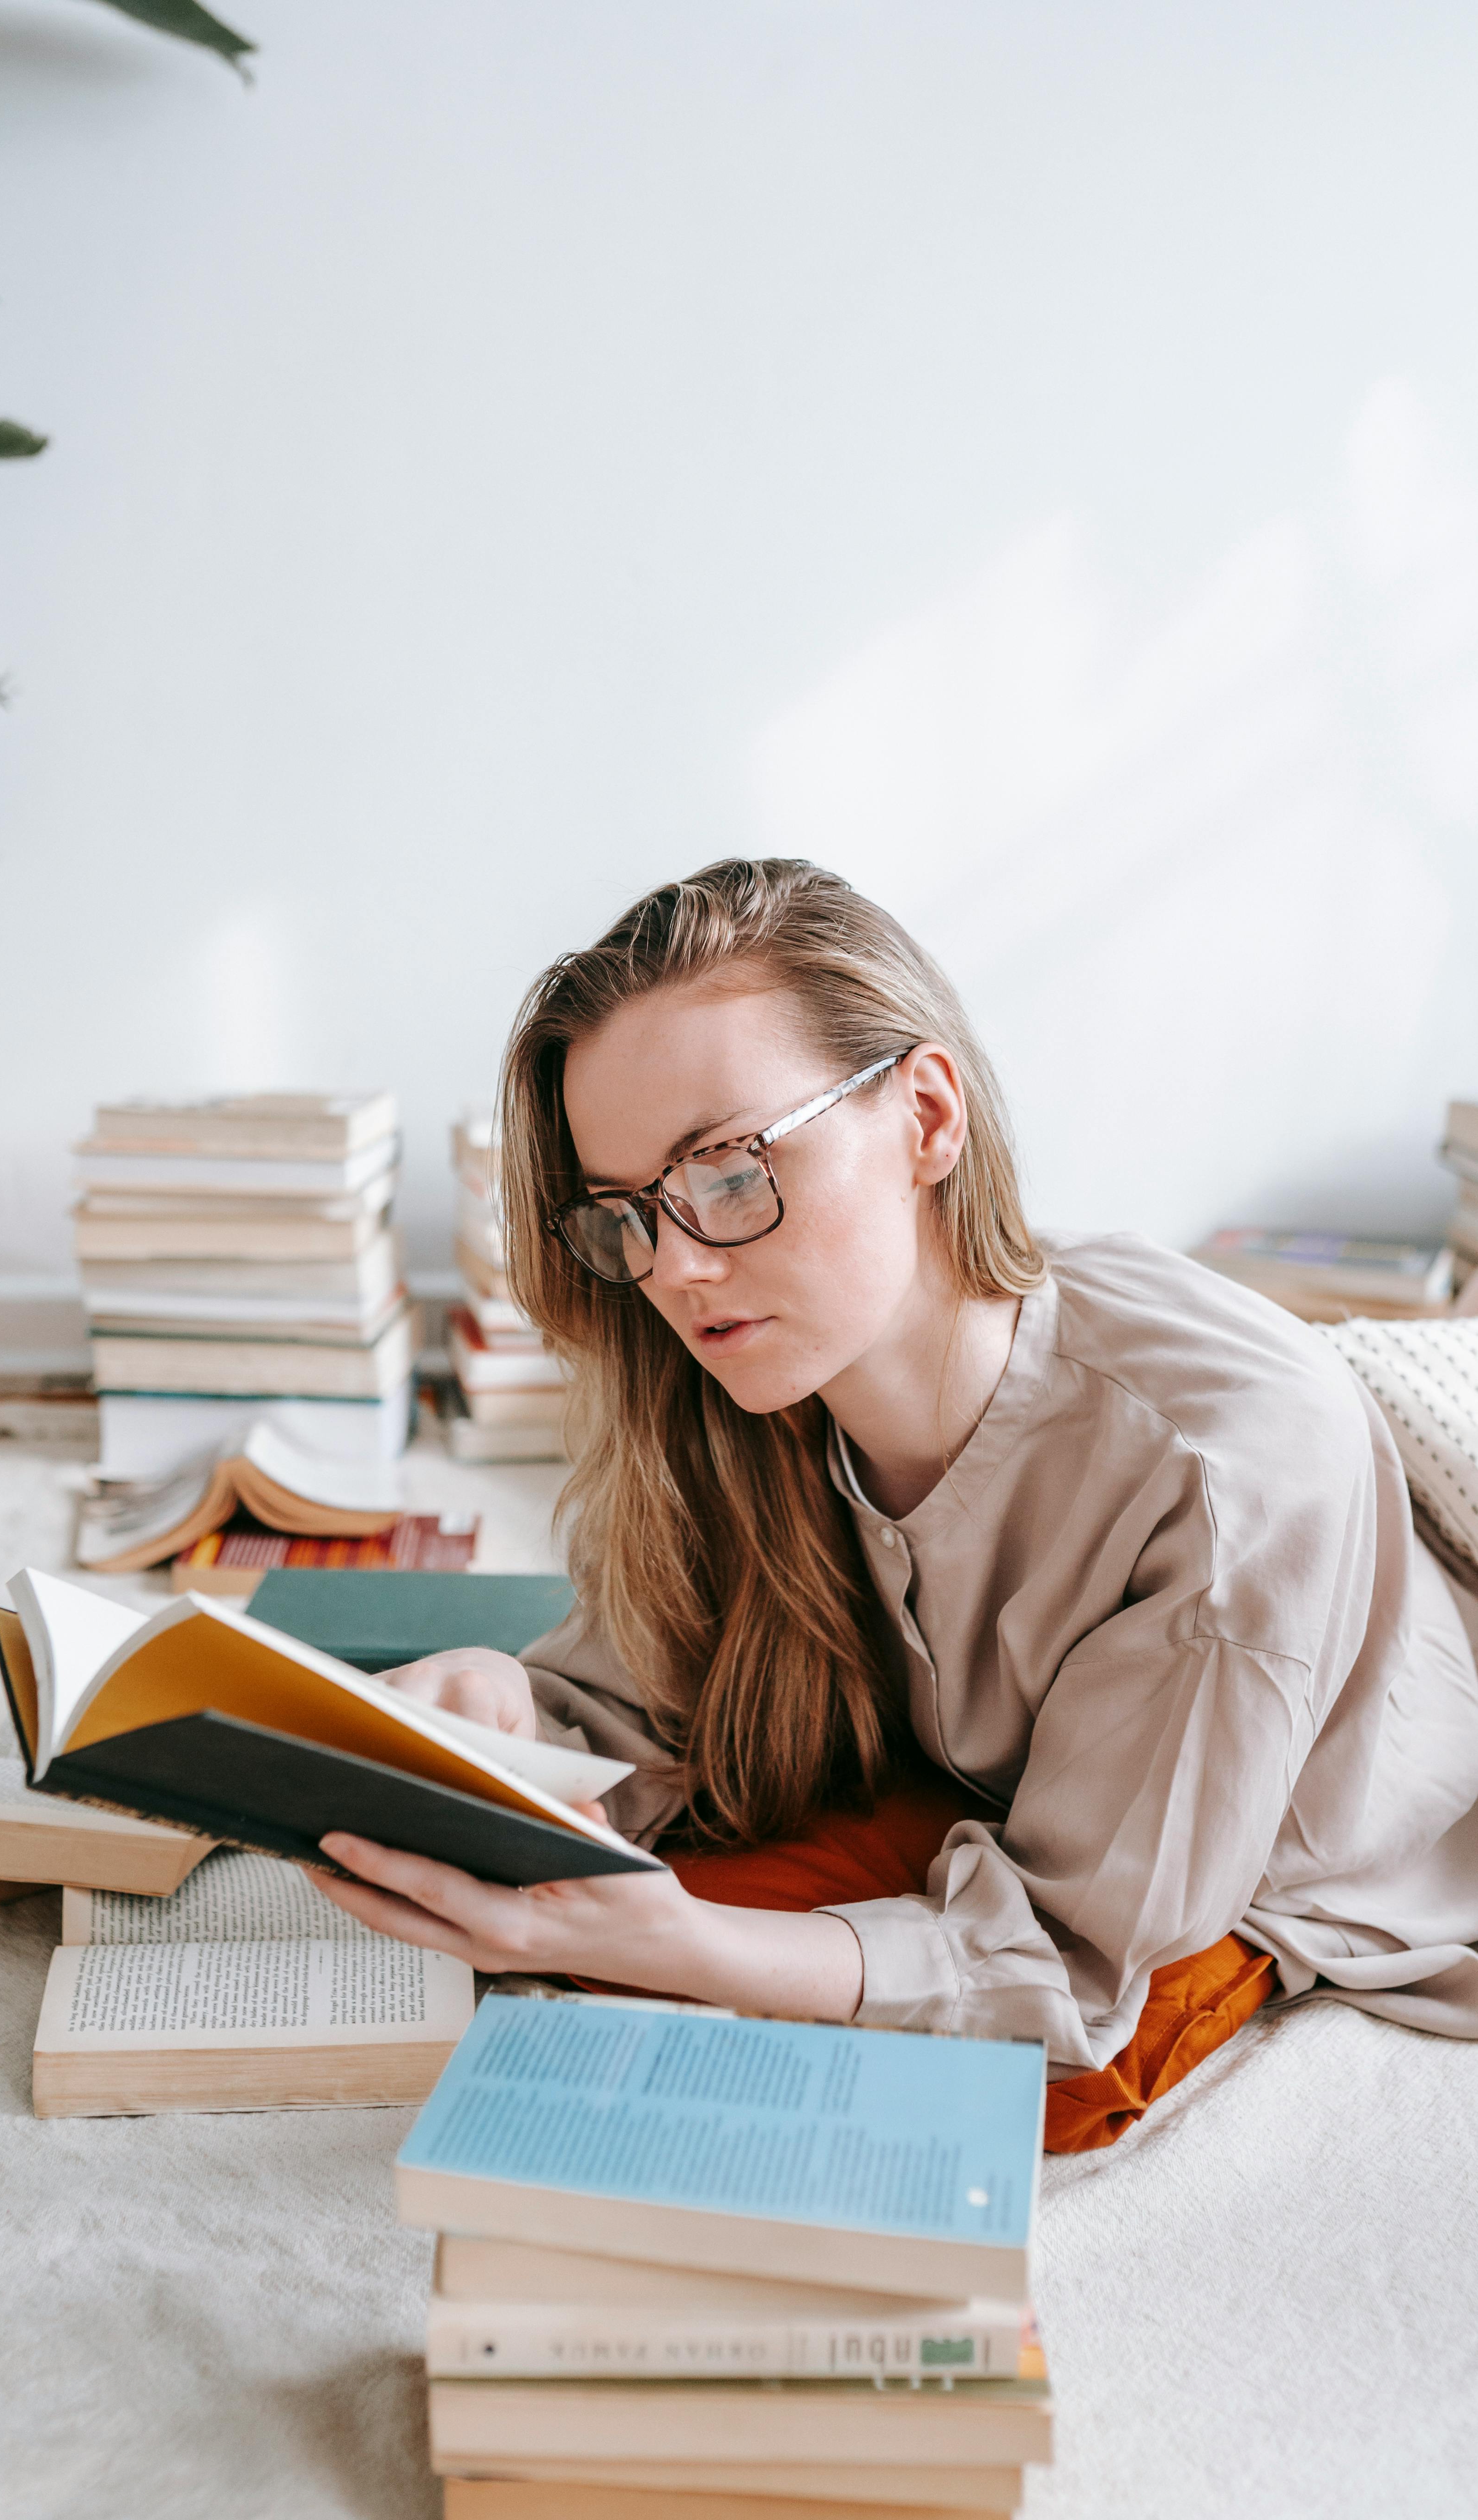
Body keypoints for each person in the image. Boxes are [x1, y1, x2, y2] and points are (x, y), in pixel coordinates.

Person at [309, 857, 1478, 2146]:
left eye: (731, 1167)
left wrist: (690, 1943)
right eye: (629, 1213)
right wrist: (508, 1701)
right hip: (1001, 1776)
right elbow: (647, 1695)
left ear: (927, 1117)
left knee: (947, 2081)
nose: (682, 1267)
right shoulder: (747, 1386)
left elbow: (1072, 1963)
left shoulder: (1224, 1466)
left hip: (1300, 1861)